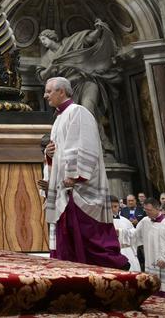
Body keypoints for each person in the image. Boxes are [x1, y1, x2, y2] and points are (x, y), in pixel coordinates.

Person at [43, 76, 128, 269]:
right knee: (69, 236)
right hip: (66, 189)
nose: (45, 95)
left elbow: (83, 146)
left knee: (87, 236)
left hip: (79, 189)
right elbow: (59, 151)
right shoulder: (58, 119)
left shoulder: (78, 112)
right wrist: (48, 155)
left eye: (49, 91)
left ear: (61, 91)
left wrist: (74, 175)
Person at [118, 197, 165, 301]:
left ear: (158, 209)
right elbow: (135, 235)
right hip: (153, 263)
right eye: (145, 210)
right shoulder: (145, 222)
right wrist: (121, 233)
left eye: (149, 210)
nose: (147, 213)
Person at [111, 195, 141, 272]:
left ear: (119, 207)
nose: (114, 209)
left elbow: (135, 234)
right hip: (112, 253)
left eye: (115, 206)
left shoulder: (125, 221)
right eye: (111, 207)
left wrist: (121, 232)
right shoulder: (103, 221)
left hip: (127, 251)